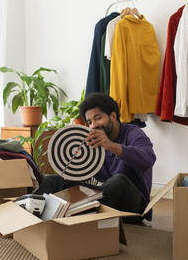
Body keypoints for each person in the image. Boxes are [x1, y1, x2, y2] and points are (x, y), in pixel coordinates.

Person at [36, 92, 156, 224]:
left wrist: (110, 146)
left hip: (133, 205)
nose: (94, 125)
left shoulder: (133, 133)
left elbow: (149, 158)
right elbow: (82, 179)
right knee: (51, 180)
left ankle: (79, 219)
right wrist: (72, 169)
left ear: (113, 116)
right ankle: (35, 219)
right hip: (106, 197)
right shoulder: (93, 141)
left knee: (118, 180)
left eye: (98, 118)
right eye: (89, 122)